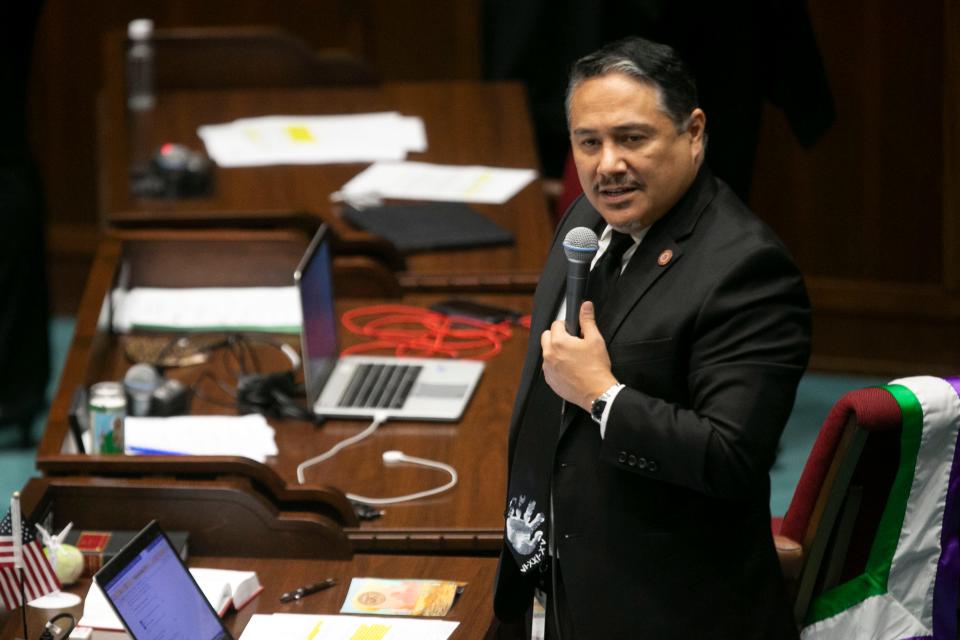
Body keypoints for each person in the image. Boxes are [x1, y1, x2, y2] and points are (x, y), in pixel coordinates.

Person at [493, 37, 811, 638]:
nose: (607, 163)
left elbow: (731, 457)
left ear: (693, 133)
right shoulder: (587, 221)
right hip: (553, 580)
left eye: (632, 138)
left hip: (664, 609)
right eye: (589, 142)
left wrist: (602, 396)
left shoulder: (747, 270)